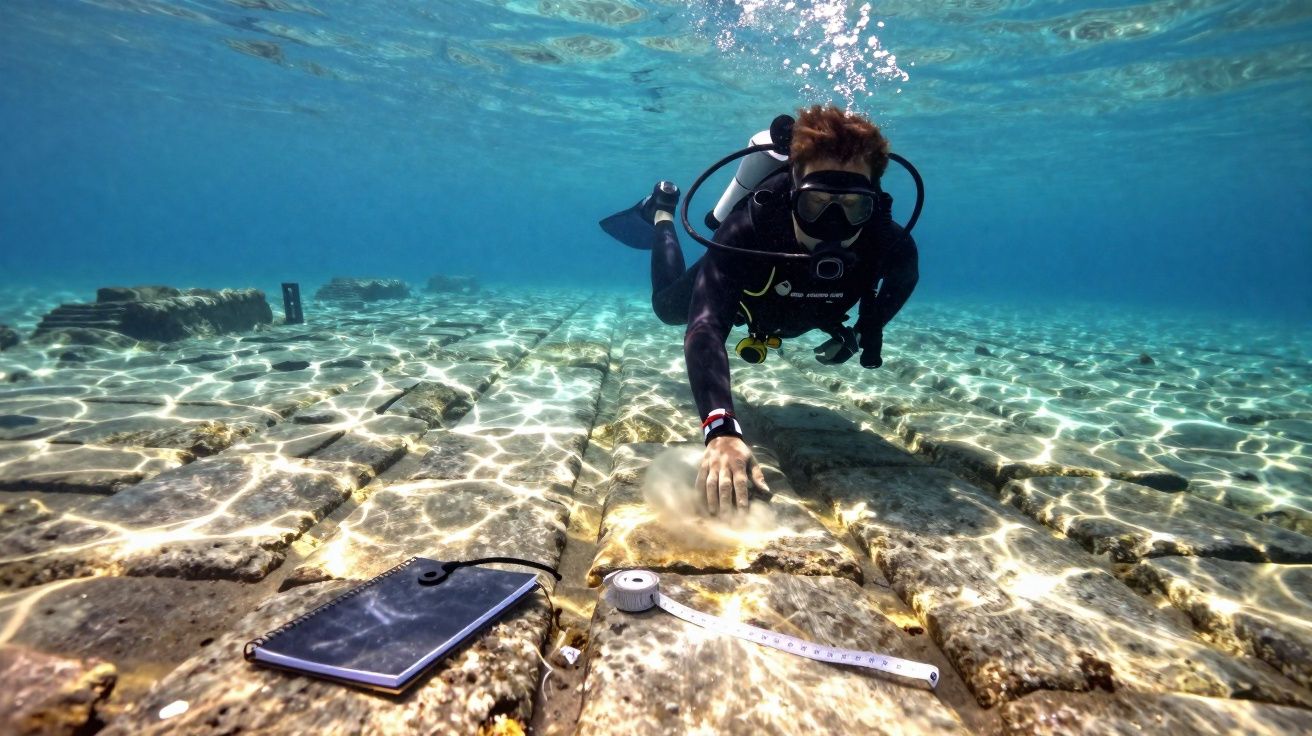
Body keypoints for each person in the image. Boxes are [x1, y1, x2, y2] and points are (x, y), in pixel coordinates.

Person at [628, 104, 919, 515]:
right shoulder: (749, 229)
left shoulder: (888, 242)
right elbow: (706, 326)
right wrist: (721, 430)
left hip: (792, 311)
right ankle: (661, 213)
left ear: (875, 203)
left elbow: (903, 281)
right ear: (794, 191)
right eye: (816, 203)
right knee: (666, 308)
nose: (833, 225)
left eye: (853, 206)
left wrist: (863, 331)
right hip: (749, 298)